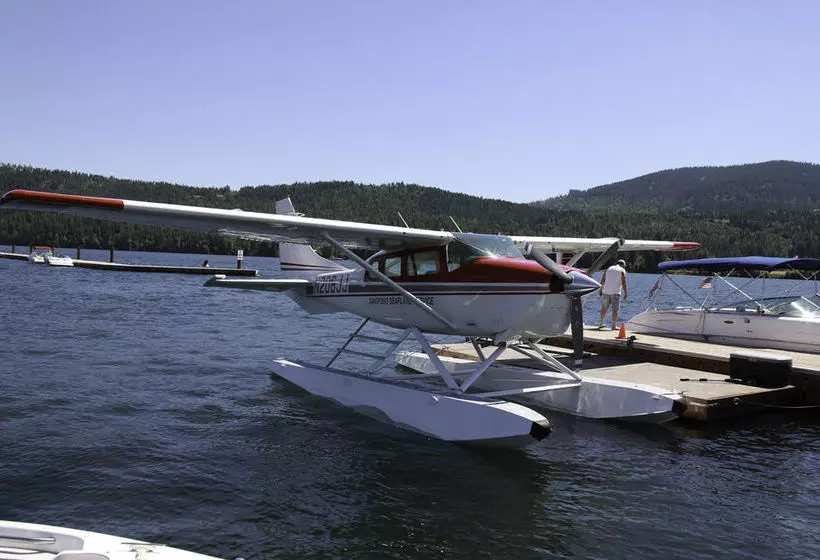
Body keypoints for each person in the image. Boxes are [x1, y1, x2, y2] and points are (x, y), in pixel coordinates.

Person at [599, 259, 628, 329]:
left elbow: (603, 280)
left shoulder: (608, 269)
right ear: (623, 265)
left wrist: (600, 290)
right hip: (615, 293)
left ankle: (601, 323)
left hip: (606, 292)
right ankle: (613, 325)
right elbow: (623, 282)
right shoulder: (622, 270)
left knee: (604, 308)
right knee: (615, 310)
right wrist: (625, 293)